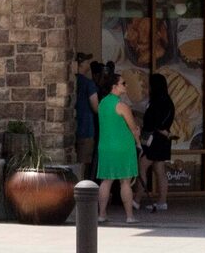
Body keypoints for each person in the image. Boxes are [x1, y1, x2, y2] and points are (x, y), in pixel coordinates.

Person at [94, 66, 140, 219]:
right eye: (123, 83)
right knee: (125, 182)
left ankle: (101, 214)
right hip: (123, 146)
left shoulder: (102, 104)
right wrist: (138, 142)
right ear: (114, 87)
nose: (125, 85)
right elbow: (133, 127)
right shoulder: (121, 106)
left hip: (105, 146)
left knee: (106, 181)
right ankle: (129, 216)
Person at [137, 71, 177, 214]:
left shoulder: (160, 101)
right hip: (161, 141)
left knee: (142, 167)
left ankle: (136, 199)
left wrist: (159, 129)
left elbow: (157, 123)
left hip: (155, 141)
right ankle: (162, 201)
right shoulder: (165, 100)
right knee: (159, 170)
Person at [71, 53, 97, 177]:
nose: (88, 65)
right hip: (86, 128)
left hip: (71, 127)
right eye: (87, 62)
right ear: (81, 64)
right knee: (83, 165)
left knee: (71, 162)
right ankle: (81, 192)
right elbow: (96, 107)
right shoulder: (88, 83)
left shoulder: (70, 81)